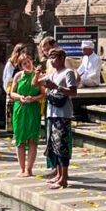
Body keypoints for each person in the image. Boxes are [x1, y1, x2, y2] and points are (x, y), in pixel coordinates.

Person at [43, 48, 77, 189]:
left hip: (63, 114)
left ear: (62, 58)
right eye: (50, 58)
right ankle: (57, 174)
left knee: (62, 146)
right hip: (52, 112)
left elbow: (73, 92)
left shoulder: (68, 73)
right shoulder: (52, 73)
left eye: (54, 58)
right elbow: (36, 83)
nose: (51, 60)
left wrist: (57, 87)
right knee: (54, 146)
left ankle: (64, 178)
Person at [8, 51, 43, 177]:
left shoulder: (38, 76)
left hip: (33, 109)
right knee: (20, 139)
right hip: (20, 109)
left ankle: (29, 168)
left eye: (28, 62)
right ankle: (21, 168)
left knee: (32, 139)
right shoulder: (18, 76)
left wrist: (33, 98)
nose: (27, 64)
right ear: (21, 66)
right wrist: (20, 97)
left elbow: (43, 93)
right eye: (24, 63)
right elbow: (12, 93)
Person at [2, 43, 27, 134]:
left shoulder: (25, 63)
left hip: (21, 91)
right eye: (23, 52)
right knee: (11, 112)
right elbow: (7, 79)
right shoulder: (10, 64)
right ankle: (12, 131)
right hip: (11, 90)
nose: (25, 54)